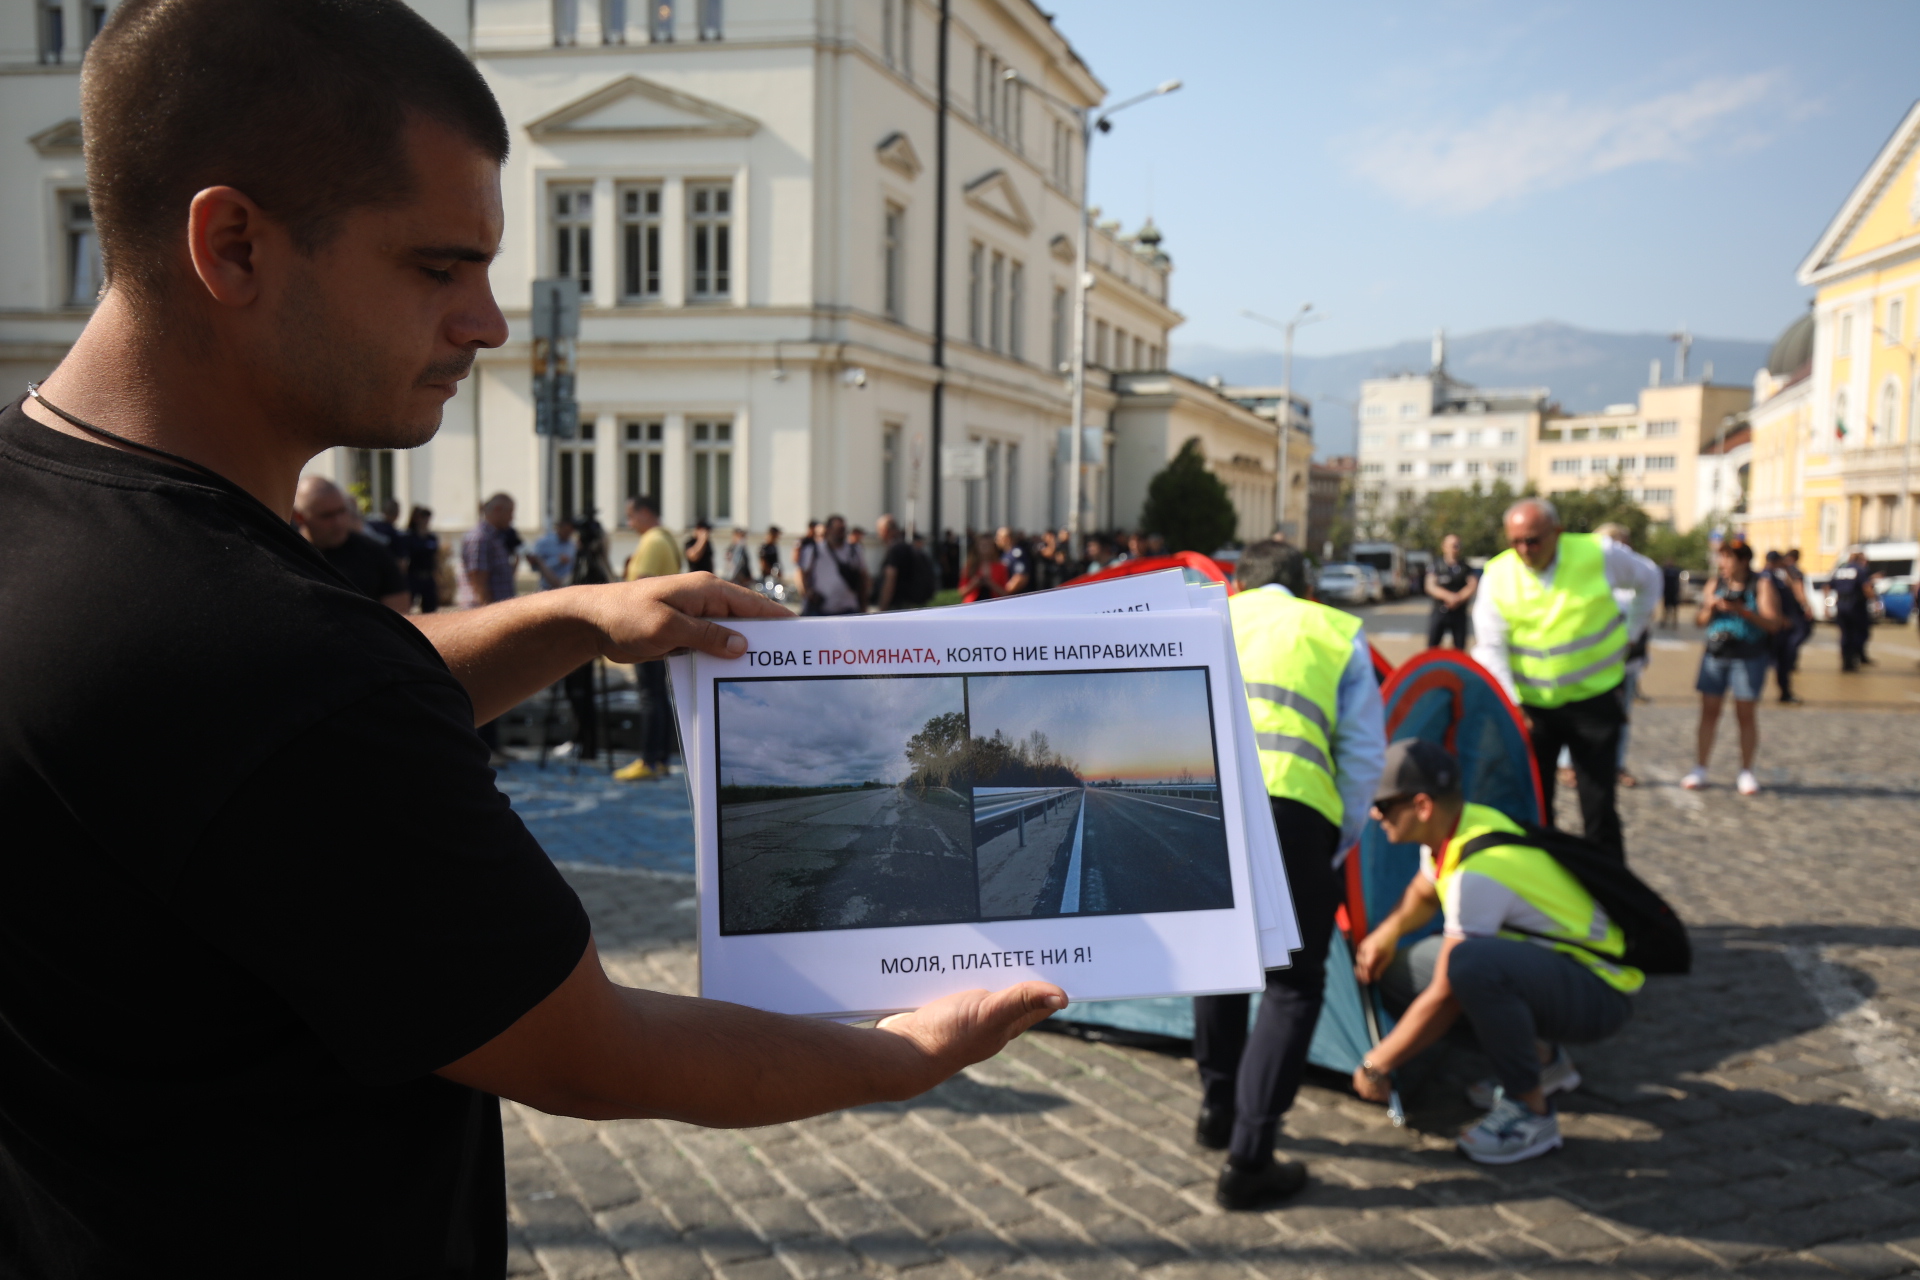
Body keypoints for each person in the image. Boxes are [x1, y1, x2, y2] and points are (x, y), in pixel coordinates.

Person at [0, 2, 1066, 1272]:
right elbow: (587, 1044)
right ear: (231, 243)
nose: (490, 323)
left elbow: (235, 753)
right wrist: (898, 1052)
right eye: (438, 266)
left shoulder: (69, 531)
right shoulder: (261, 653)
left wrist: (569, 620)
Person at [1192, 540, 1386, 1210]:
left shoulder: (1205, 618)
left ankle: (1216, 1108)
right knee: (1293, 985)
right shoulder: (1335, 633)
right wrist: (1338, 840)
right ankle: (1249, 1158)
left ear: (1238, 582)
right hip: (1296, 812)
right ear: (1306, 585)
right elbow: (1364, 757)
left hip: (1205, 808)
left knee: (1218, 962)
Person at [1351, 741, 1641, 1165]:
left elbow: (1447, 992)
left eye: (1383, 805)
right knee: (1402, 968)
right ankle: (1543, 1060)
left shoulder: (1477, 873)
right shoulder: (1458, 830)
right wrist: (1388, 933)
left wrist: (1377, 1064)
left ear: (1423, 805)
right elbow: (1424, 891)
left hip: (1602, 992)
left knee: (1471, 967)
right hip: (1563, 972)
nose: (1375, 815)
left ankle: (1531, 1113)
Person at [1471, 499, 1658, 862]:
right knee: (1534, 807)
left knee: (1599, 808)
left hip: (1594, 702)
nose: (1526, 550)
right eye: (1516, 542)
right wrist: (1511, 704)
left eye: (1534, 540)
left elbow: (1649, 580)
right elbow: (1490, 647)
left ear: (1557, 532)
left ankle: (1612, 900)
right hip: (1533, 709)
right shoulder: (1497, 574)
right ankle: (1545, 893)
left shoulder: (1597, 553)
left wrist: (1632, 632)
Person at [1682, 538, 1783, 795]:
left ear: (1744, 561)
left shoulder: (1761, 584)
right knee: (1708, 712)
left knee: (1745, 714)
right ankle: (1700, 768)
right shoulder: (1715, 584)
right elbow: (1700, 621)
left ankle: (1746, 772)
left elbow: (1773, 623)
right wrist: (1712, 607)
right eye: (1721, 557)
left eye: (1728, 558)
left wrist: (1743, 611)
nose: (1722, 563)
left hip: (1748, 656)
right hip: (1715, 654)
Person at [617, 495, 682, 781]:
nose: (629, 523)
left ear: (644, 512)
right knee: (659, 696)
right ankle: (661, 759)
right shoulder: (665, 539)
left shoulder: (653, 541)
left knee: (650, 697)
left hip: (646, 630)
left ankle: (649, 760)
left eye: (631, 516)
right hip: (661, 629)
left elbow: (640, 588)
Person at [1595, 522, 1659, 789]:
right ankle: (1569, 765)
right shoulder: (1595, 569)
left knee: (1621, 716)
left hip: (1627, 658)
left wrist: (1631, 636)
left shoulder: (1640, 570)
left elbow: (1648, 605)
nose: (1617, 549)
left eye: (1620, 542)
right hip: (1593, 661)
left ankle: (1616, 765)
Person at [291, 475, 412, 612]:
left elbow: (400, 612)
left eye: (341, 511)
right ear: (300, 517)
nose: (338, 522)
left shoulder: (374, 554)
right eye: (327, 515)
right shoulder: (284, 553)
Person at [1764, 550, 1810, 704]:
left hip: (1784, 626)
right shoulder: (1767, 578)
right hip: (1776, 626)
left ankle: (1785, 692)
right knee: (1777, 659)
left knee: (1783, 660)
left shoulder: (1781, 576)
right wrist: (1780, 618)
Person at [798, 514, 867, 616]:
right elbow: (802, 573)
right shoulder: (814, 550)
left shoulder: (854, 551)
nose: (841, 533)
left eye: (843, 529)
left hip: (848, 608)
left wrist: (863, 605)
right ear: (829, 530)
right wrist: (808, 593)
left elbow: (863, 578)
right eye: (838, 529)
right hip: (821, 609)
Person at [459, 492, 518, 609]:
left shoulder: (496, 537)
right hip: (484, 613)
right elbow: (479, 582)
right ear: (497, 509)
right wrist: (490, 614)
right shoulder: (480, 537)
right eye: (510, 512)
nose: (512, 518)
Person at [1424, 533, 1477, 649]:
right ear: (1444, 547)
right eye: (1452, 545)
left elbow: (1472, 585)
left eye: (1457, 545)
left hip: (1459, 613)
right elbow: (1430, 586)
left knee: (1459, 649)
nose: (1455, 548)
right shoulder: (1436, 565)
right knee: (1432, 647)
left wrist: (1458, 598)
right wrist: (1448, 596)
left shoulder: (1465, 567)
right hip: (1440, 611)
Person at [874, 514, 931, 611]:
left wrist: (882, 608)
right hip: (910, 603)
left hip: (898, 606)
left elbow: (890, 579)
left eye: (879, 530)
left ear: (885, 530)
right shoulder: (905, 546)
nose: (878, 534)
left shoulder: (895, 549)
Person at [1831, 549, 1875, 672]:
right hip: (1856, 606)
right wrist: (1875, 600)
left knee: (1845, 634)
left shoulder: (1840, 570)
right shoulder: (1860, 570)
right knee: (1859, 633)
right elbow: (1866, 587)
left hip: (1841, 605)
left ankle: (1846, 661)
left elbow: (1828, 586)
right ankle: (1852, 659)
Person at [397, 504, 441, 613]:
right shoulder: (409, 537)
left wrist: (438, 575)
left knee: (430, 609)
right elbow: (403, 559)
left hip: (428, 576)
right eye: (424, 518)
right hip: (413, 576)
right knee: (407, 607)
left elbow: (436, 558)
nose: (426, 521)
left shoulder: (431, 538)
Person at [528, 516, 578, 590]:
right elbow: (535, 566)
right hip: (547, 588)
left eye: (570, 532)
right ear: (559, 528)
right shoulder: (544, 542)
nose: (568, 534)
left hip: (566, 587)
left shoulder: (572, 545)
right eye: (566, 531)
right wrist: (557, 560)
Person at [960, 533, 1008, 603]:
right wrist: (974, 584)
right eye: (982, 545)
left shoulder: (1000, 567)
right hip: (973, 604)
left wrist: (990, 583)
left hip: (994, 604)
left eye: (988, 545)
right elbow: (962, 592)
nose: (985, 548)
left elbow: (1005, 593)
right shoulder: (970, 567)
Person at [996, 526, 1032, 595]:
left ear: (1007, 538)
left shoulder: (1016, 554)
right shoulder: (1004, 554)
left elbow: (1021, 577)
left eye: (999, 537)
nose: (997, 540)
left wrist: (1005, 592)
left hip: (1016, 596)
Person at [1660, 559, 1683, 630]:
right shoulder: (1665, 571)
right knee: (1666, 609)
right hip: (1668, 592)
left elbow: (1678, 582)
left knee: (1674, 609)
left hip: (1673, 592)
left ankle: (1674, 623)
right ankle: (1664, 622)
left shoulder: (1675, 571)